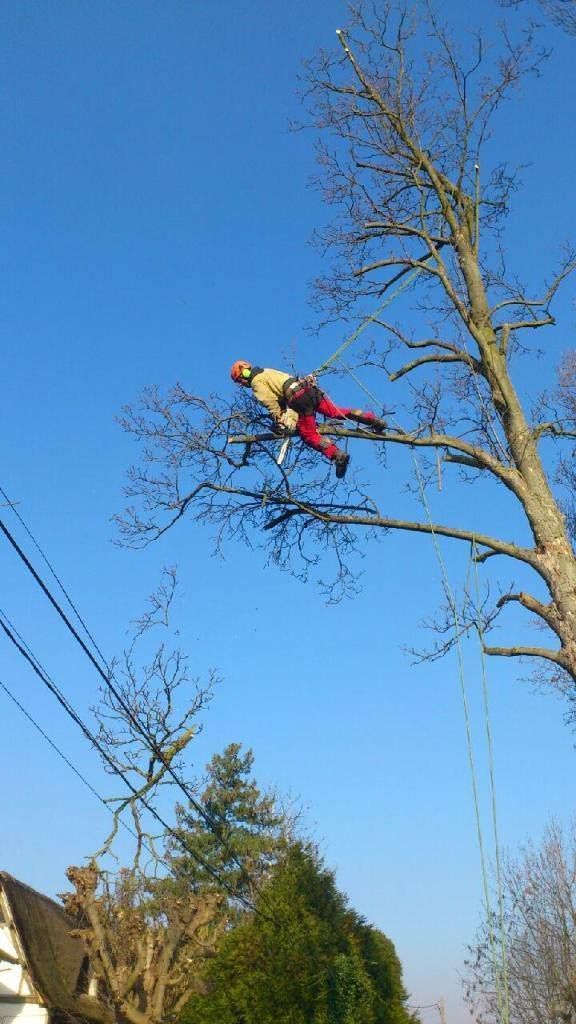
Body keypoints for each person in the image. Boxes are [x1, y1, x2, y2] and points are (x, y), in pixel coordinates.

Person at [230, 360, 387, 479]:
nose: (242, 384)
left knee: (308, 435)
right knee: (336, 412)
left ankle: (337, 455)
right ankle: (373, 420)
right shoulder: (267, 372)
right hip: (308, 390)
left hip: (299, 400)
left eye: (240, 380)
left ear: (244, 373)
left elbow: (270, 402)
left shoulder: (257, 382)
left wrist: (278, 419)